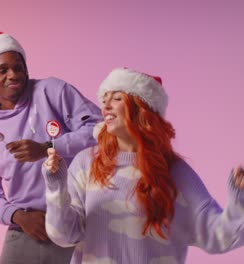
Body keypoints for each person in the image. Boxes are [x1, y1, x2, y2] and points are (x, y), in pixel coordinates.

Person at [43, 67, 244, 263]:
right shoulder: (86, 163)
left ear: (142, 108)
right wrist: (56, 185)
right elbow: (62, 235)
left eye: (117, 98)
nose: (106, 106)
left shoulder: (175, 172)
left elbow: (219, 236)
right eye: (105, 100)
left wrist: (239, 199)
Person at [0, 30, 102, 263]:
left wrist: (47, 147)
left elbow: (100, 130)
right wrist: (18, 216)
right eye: (2, 70)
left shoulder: (52, 91)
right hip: (29, 230)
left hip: (78, 221)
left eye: (18, 67)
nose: (13, 74)